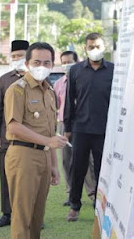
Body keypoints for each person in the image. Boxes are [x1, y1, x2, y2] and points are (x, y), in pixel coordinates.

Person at [4, 42, 67, 238]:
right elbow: (13, 126)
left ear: (52, 65)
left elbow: (50, 133)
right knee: (23, 216)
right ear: (27, 63)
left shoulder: (49, 92)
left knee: (37, 217)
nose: (42, 66)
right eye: (37, 61)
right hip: (23, 156)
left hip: (44, 158)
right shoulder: (17, 90)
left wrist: (54, 165)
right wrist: (48, 142)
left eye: (47, 62)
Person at [64, 33, 114, 221]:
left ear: (105, 47)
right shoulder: (76, 70)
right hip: (81, 128)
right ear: (85, 48)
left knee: (103, 169)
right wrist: (68, 127)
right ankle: (74, 206)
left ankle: (99, 205)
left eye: (98, 46)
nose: (95, 50)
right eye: (91, 46)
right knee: (78, 168)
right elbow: (70, 100)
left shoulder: (113, 70)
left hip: (104, 130)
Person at [0, 39, 29, 228]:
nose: (17, 59)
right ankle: (7, 214)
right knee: (7, 177)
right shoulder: (5, 79)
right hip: (7, 138)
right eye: (14, 56)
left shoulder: (37, 78)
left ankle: (30, 215)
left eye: (20, 56)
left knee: (29, 178)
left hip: (32, 139)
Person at [54, 51, 97, 207]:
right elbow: (57, 106)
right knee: (67, 159)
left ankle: (93, 192)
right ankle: (70, 192)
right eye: (64, 62)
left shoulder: (83, 78)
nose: (67, 64)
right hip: (63, 123)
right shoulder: (58, 83)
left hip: (82, 124)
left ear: (77, 61)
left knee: (88, 160)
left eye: (70, 61)